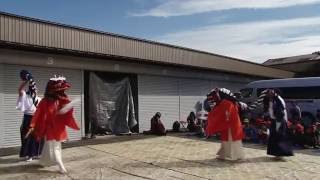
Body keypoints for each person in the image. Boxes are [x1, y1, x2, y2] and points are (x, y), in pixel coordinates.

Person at [28, 76, 80, 174]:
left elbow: (64, 111)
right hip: (49, 128)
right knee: (55, 147)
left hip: (59, 128)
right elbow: (37, 114)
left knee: (52, 146)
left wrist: (69, 105)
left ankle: (44, 161)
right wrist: (32, 125)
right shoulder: (44, 102)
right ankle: (61, 166)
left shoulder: (60, 100)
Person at [206, 88, 244, 161]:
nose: (214, 99)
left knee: (234, 141)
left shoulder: (227, 103)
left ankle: (237, 156)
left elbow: (227, 114)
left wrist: (224, 120)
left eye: (215, 96)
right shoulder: (225, 103)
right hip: (228, 125)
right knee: (225, 140)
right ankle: (222, 155)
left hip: (232, 125)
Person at [16, 70, 43, 162]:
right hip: (28, 118)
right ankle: (28, 155)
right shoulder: (24, 95)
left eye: (36, 88)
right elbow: (19, 90)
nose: (35, 88)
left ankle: (36, 153)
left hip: (37, 118)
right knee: (28, 136)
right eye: (34, 87)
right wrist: (27, 80)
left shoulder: (39, 99)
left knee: (37, 137)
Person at [263, 89, 293, 159]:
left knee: (279, 137)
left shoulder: (278, 100)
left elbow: (280, 111)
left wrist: (278, 122)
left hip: (279, 120)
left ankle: (280, 154)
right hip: (274, 120)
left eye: (269, 94)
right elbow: (269, 109)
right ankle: (276, 153)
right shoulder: (271, 99)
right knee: (274, 137)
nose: (268, 95)